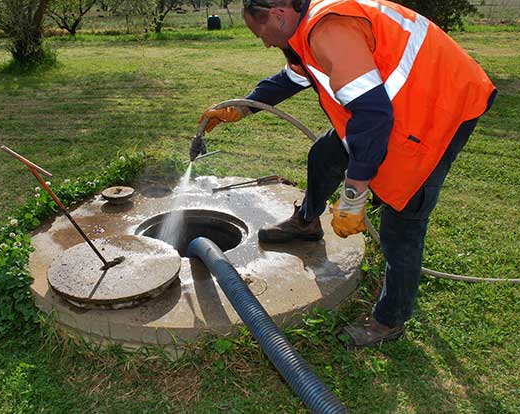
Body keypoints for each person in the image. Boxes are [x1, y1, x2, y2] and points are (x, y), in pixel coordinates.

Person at [190, 0, 496, 348]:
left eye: (263, 33)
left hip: (438, 107)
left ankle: (389, 321)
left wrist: (355, 192)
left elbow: (373, 116)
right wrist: (244, 106)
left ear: (278, 13)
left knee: (403, 217)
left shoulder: (330, 30)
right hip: (391, 104)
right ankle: (307, 221)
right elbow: (293, 77)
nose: (266, 42)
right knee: (325, 154)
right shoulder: (306, 29)